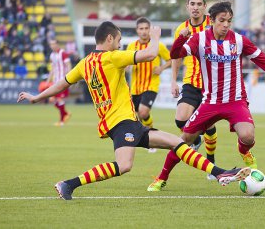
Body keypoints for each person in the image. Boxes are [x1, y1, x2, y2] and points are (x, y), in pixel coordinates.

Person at [17, 21, 251, 200]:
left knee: (177, 142)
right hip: (122, 123)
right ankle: (68, 184)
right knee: (124, 165)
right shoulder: (113, 57)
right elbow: (150, 54)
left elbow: (62, 83)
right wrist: (156, 35)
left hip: (125, 122)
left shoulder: (85, 62)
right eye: (118, 40)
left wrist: (38, 97)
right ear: (109, 39)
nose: (119, 44)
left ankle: (220, 172)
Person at [163, 1, 265, 190]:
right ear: (212, 20)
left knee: (248, 136)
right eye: (222, 20)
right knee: (184, 139)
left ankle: (244, 150)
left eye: (229, 21)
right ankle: (161, 178)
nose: (226, 25)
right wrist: (181, 38)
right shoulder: (199, 39)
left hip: (235, 101)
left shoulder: (239, 40)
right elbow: (175, 53)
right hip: (210, 101)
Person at [147, 0, 218, 192]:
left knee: (209, 125)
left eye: (199, 4)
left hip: (211, 85)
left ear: (205, 7)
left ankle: (210, 159)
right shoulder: (182, 29)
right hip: (190, 82)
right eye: (192, 4)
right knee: (180, 119)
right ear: (187, 6)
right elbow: (176, 57)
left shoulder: (212, 27)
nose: (195, 8)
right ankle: (197, 140)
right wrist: (173, 81)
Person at [126, 17, 171, 153]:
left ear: (150, 30)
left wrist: (161, 68)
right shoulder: (131, 46)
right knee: (139, 115)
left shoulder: (158, 45)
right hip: (135, 87)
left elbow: (170, 60)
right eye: (141, 29)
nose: (144, 31)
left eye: (146, 28)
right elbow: (126, 61)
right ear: (137, 30)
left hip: (151, 85)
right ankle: (150, 135)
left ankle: (150, 138)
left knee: (143, 111)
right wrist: (127, 66)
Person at [47, 39, 72, 126]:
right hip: (55, 81)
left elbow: (68, 65)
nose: (52, 46)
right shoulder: (52, 55)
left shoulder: (63, 53)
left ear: (57, 44)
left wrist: (68, 78)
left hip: (62, 81)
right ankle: (65, 113)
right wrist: (48, 80)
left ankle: (61, 121)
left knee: (59, 99)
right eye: (51, 44)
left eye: (53, 44)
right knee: (51, 99)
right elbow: (53, 68)